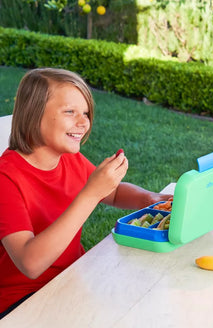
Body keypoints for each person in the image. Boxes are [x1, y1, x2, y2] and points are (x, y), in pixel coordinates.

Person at [0, 68, 171, 319]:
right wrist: (90, 194)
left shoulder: (70, 160)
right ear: (33, 115)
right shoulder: (6, 179)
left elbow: (111, 194)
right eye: (70, 112)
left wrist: (150, 199)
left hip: (72, 277)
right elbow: (30, 263)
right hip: (23, 300)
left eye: (86, 113)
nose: (83, 122)